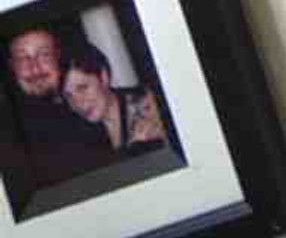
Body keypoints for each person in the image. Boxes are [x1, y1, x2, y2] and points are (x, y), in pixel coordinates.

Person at [8, 27, 114, 186]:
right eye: (23, 59)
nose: (34, 68)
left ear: (57, 57)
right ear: (12, 66)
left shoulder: (92, 107)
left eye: (44, 55)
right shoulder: (10, 133)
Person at [60, 41, 167, 159]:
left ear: (103, 77)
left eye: (83, 88)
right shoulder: (80, 132)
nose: (78, 103)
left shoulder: (147, 104)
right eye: (68, 96)